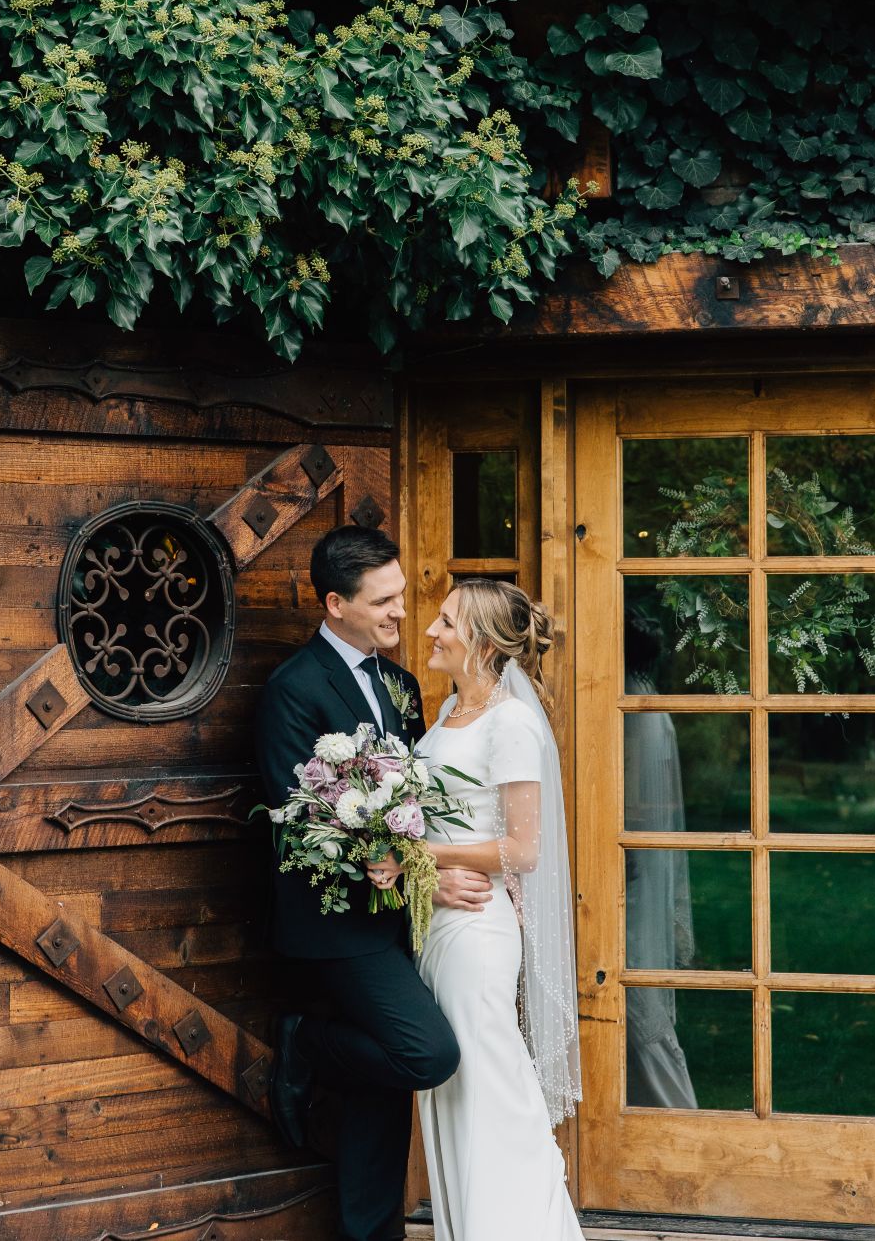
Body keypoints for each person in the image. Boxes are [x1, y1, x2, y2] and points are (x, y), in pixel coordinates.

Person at [255, 525, 463, 1241]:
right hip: (333, 925)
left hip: (400, 918)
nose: (401, 612)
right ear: (335, 603)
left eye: (402, 596)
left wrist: (428, 871)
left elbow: (416, 801)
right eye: (384, 602)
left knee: (383, 1093)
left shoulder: (401, 685)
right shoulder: (293, 688)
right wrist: (384, 862)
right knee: (426, 1053)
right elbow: (296, 814)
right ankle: (307, 1041)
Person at [394, 578, 585, 1241]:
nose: (431, 631)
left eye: (445, 621)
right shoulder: (447, 713)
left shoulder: (511, 723)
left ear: (479, 640)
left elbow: (523, 849)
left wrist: (424, 860)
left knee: (490, 1088)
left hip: (477, 931)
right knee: (454, 1093)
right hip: (438, 925)